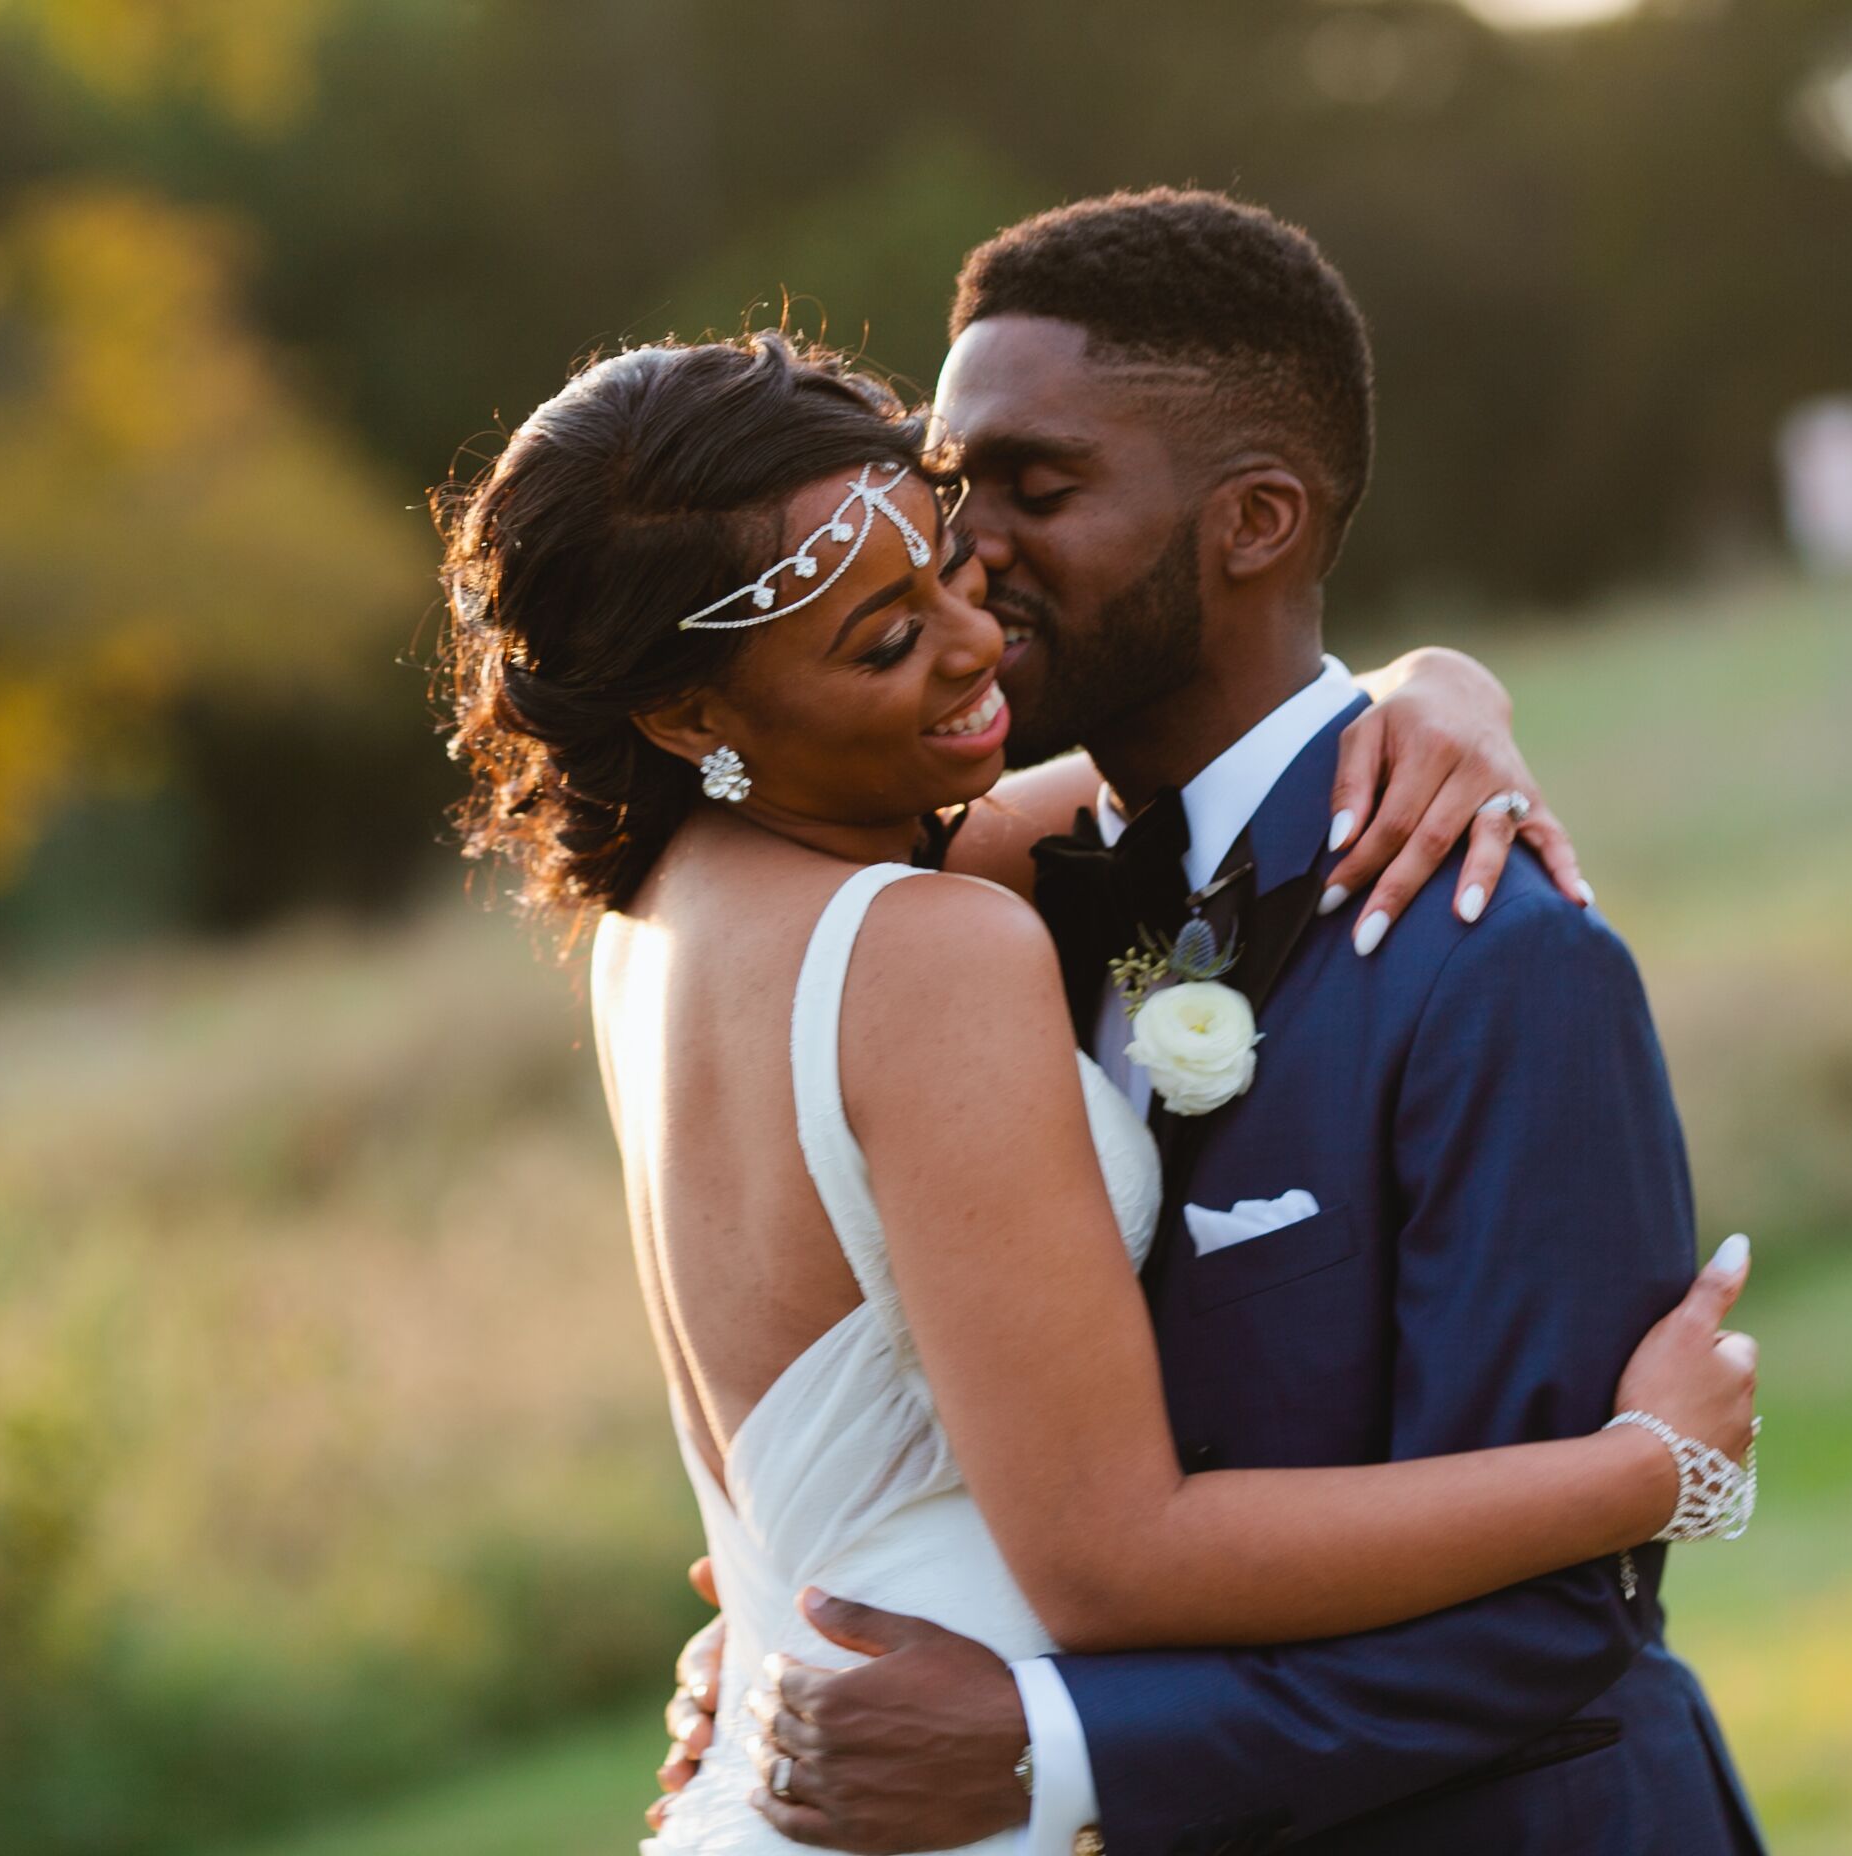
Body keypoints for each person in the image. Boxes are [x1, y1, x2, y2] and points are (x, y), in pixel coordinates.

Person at [441, 191, 1760, 1856]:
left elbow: (1563, 1624)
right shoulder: (950, 923)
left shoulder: (1495, 960)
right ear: (696, 711)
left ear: (1256, 520)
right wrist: (1650, 1459)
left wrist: (1436, 681)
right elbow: (1102, 1536)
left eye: (1024, 495)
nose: (972, 568)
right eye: (945, 498)